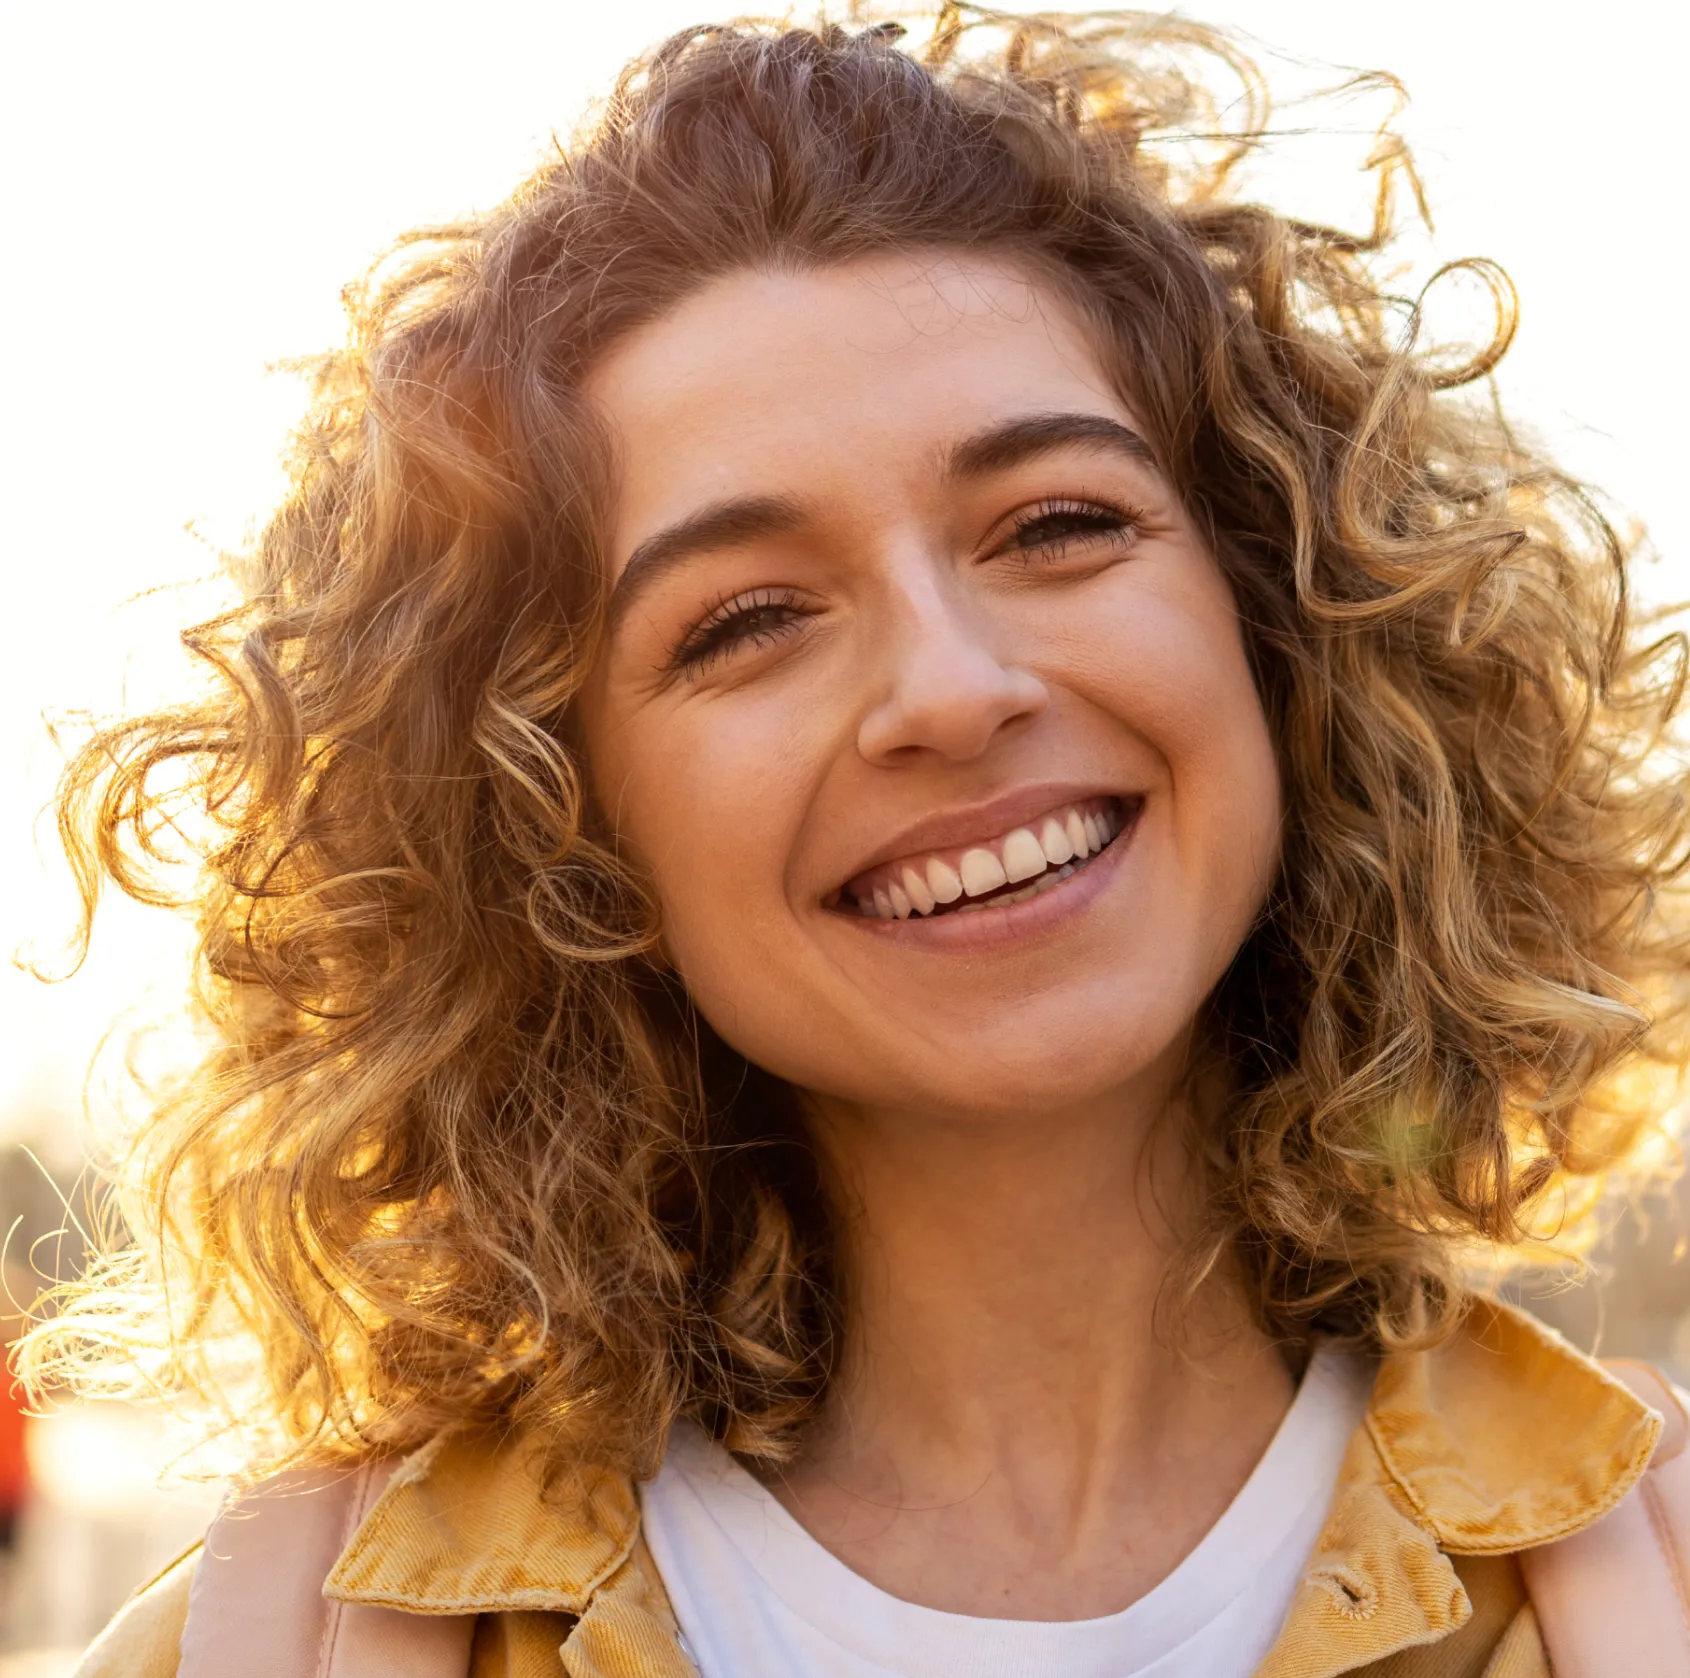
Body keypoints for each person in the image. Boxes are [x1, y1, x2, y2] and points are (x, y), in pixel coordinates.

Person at [29, 6, 1690, 1675]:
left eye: (1057, 523)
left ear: (1274, 614)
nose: (952, 690)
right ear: (557, 828)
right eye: (746, 619)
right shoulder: (286, 1637)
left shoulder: (1648, 1577)